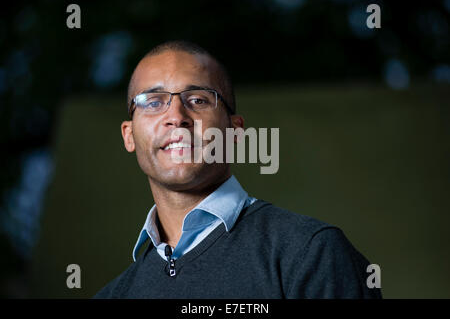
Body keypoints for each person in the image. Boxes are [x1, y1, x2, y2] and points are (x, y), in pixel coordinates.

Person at [94, 40, 382, 299]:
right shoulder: (113, 295)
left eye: (197, 100)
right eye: (153, 102)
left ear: (234, 132)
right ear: (129, 135)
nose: (176, 117)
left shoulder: (312, 253)